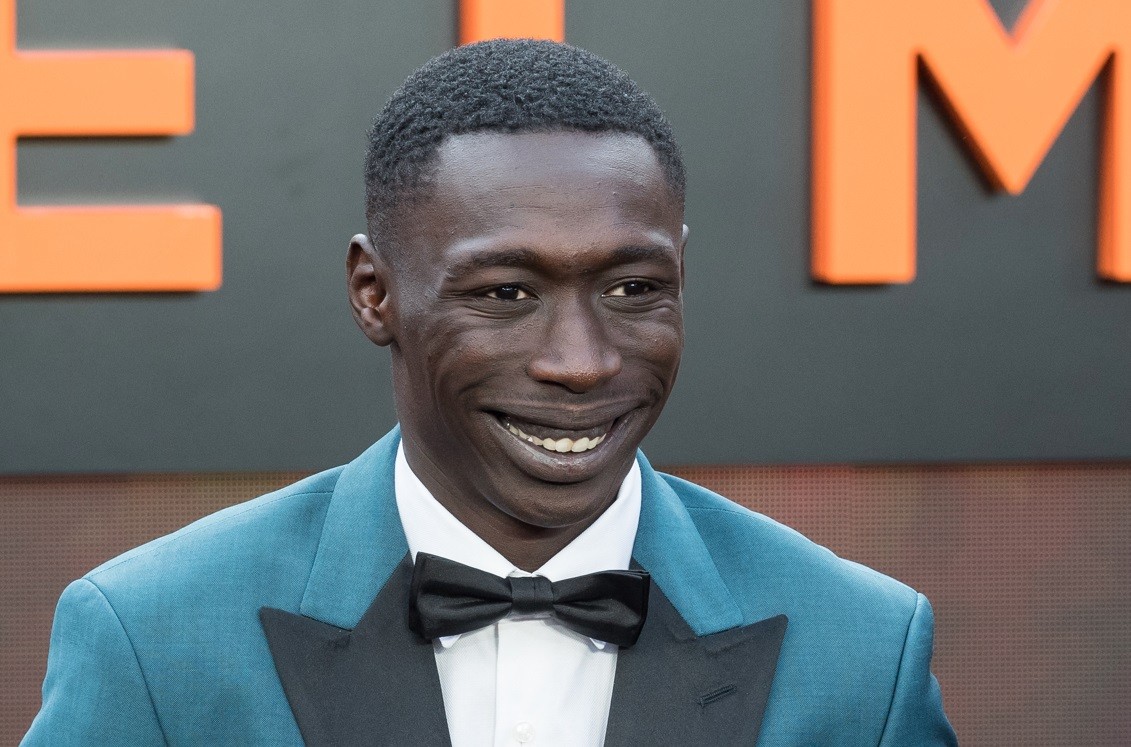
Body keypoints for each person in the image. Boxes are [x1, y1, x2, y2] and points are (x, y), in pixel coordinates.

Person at [23, 39, 956, 745]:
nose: (581, 362)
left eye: (632, 288)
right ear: (374, 293)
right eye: (506, 294)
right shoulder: (154, 640)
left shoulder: (862, 651)